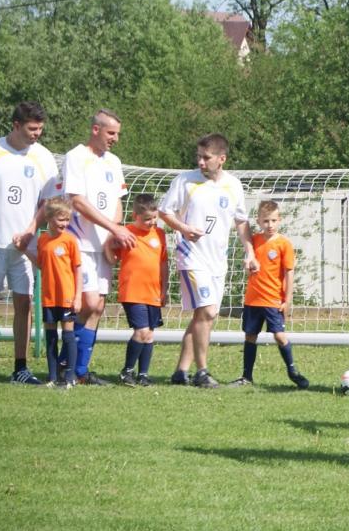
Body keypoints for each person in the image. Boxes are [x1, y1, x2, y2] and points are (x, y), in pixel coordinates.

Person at [158, 133, 258, 388]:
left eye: (206, 157)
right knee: (208, 311)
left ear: (221, 159)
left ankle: (181, 371)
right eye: (199, 157)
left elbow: (241, 221)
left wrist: (250, 251)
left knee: (204, 317)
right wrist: (184, 228)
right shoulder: (185, 181)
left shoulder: (233, 185)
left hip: (218, 261)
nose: (200, 162)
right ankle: (202, 371)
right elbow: (164, 212)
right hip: (191, 256)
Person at [0, 101, 59, 385]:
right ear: (16, 125)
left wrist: (31, 231)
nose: (37, 134)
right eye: (32, 128)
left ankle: (20, 368)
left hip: (25, 245)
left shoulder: (44, 157)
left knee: (24, 302)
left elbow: (48, 201)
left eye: (40, 129)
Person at [60, 109, 136, 385]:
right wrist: (114, 229)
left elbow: (117, 201)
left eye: (118, 134)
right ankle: (65, 363)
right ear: (95, 130)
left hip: (103, 245)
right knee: (87, 302)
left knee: (98, 306)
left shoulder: (114, 162)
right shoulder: (75, 157)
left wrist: (112, 235)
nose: (115, 139)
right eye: (111, 133)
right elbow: (77, 201)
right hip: (80, 242)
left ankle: (79, 370)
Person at [229, 200, 309, 389]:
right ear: (258, 221)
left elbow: (289, 272)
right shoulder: (254, 241)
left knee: (279, 336)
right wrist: (249, 266)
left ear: (280, 220)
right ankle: (246, 376)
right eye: (265, 221)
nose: (270, 225)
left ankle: (293, 371)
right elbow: (250, 266)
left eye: (273, 220)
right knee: (250, 336)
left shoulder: (284, 244)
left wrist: (287, 299)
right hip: (253, 299)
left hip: (273, 300)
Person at [105, 194, 167, 387]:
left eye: (154, 218)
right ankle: (127, 371)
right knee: (141, 332)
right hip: (132, 292)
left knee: (149, 335)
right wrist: (107, 245)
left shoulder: (160, 234)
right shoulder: (125, 233)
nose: (152, 222)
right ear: (135, 216)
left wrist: (164, 289)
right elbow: (112, 259)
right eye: (147, 219)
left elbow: (163, 264)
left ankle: (143, 374)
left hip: (153, 292)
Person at [28, 197, 81, 387]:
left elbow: (77, 269)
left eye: (67, 219)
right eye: (61, 219)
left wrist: (78, 296)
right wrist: (24, 250)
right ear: (49, 218)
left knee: (68, 335)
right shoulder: (42, 239)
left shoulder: (70, 240)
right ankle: (52, 377)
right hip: (49, 297)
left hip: (67, 297)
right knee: (50, 337)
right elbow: (41, 264)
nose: (65, 223)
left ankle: (69, 376)